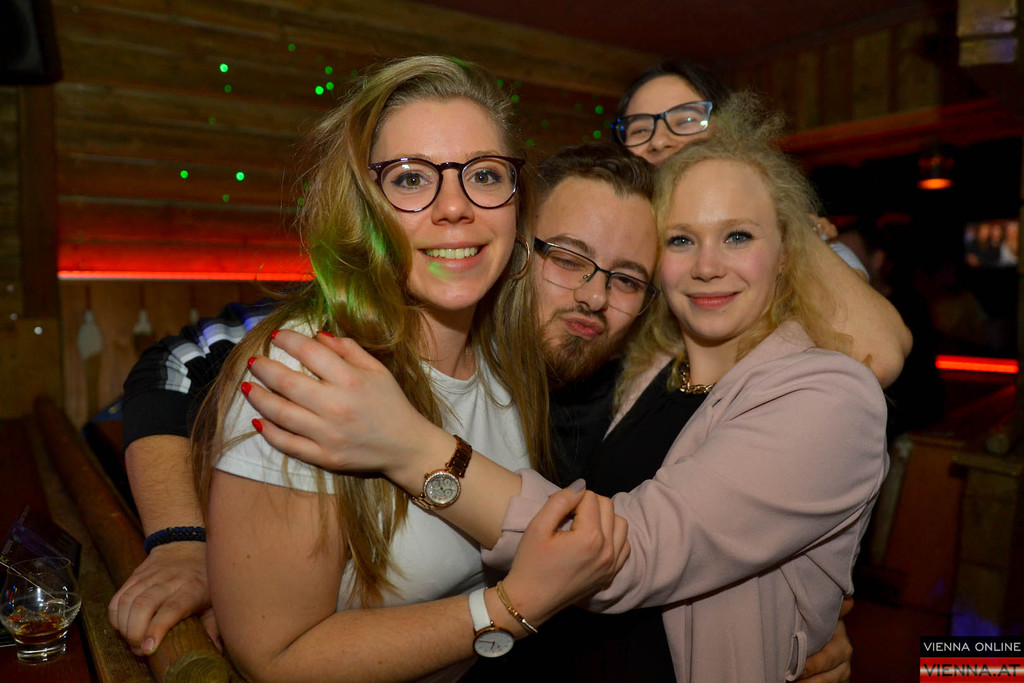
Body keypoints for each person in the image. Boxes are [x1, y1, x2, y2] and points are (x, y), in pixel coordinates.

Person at [241, 97, 890, 681]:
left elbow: (639, 549)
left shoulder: (625, 366)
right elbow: (223, 361)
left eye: (739, 235)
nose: (594, 296)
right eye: (682, 239)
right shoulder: (641, 367)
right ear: (516, 245)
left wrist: (411, 447)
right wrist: (193, 537)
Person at [152, 55, 629, 682]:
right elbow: (275, 657)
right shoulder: (309, 373)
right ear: (364, 207)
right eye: (410, 179)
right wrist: (509, 608)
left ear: (518, 205)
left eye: (485, 175)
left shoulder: (507, 360)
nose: (454, 208)